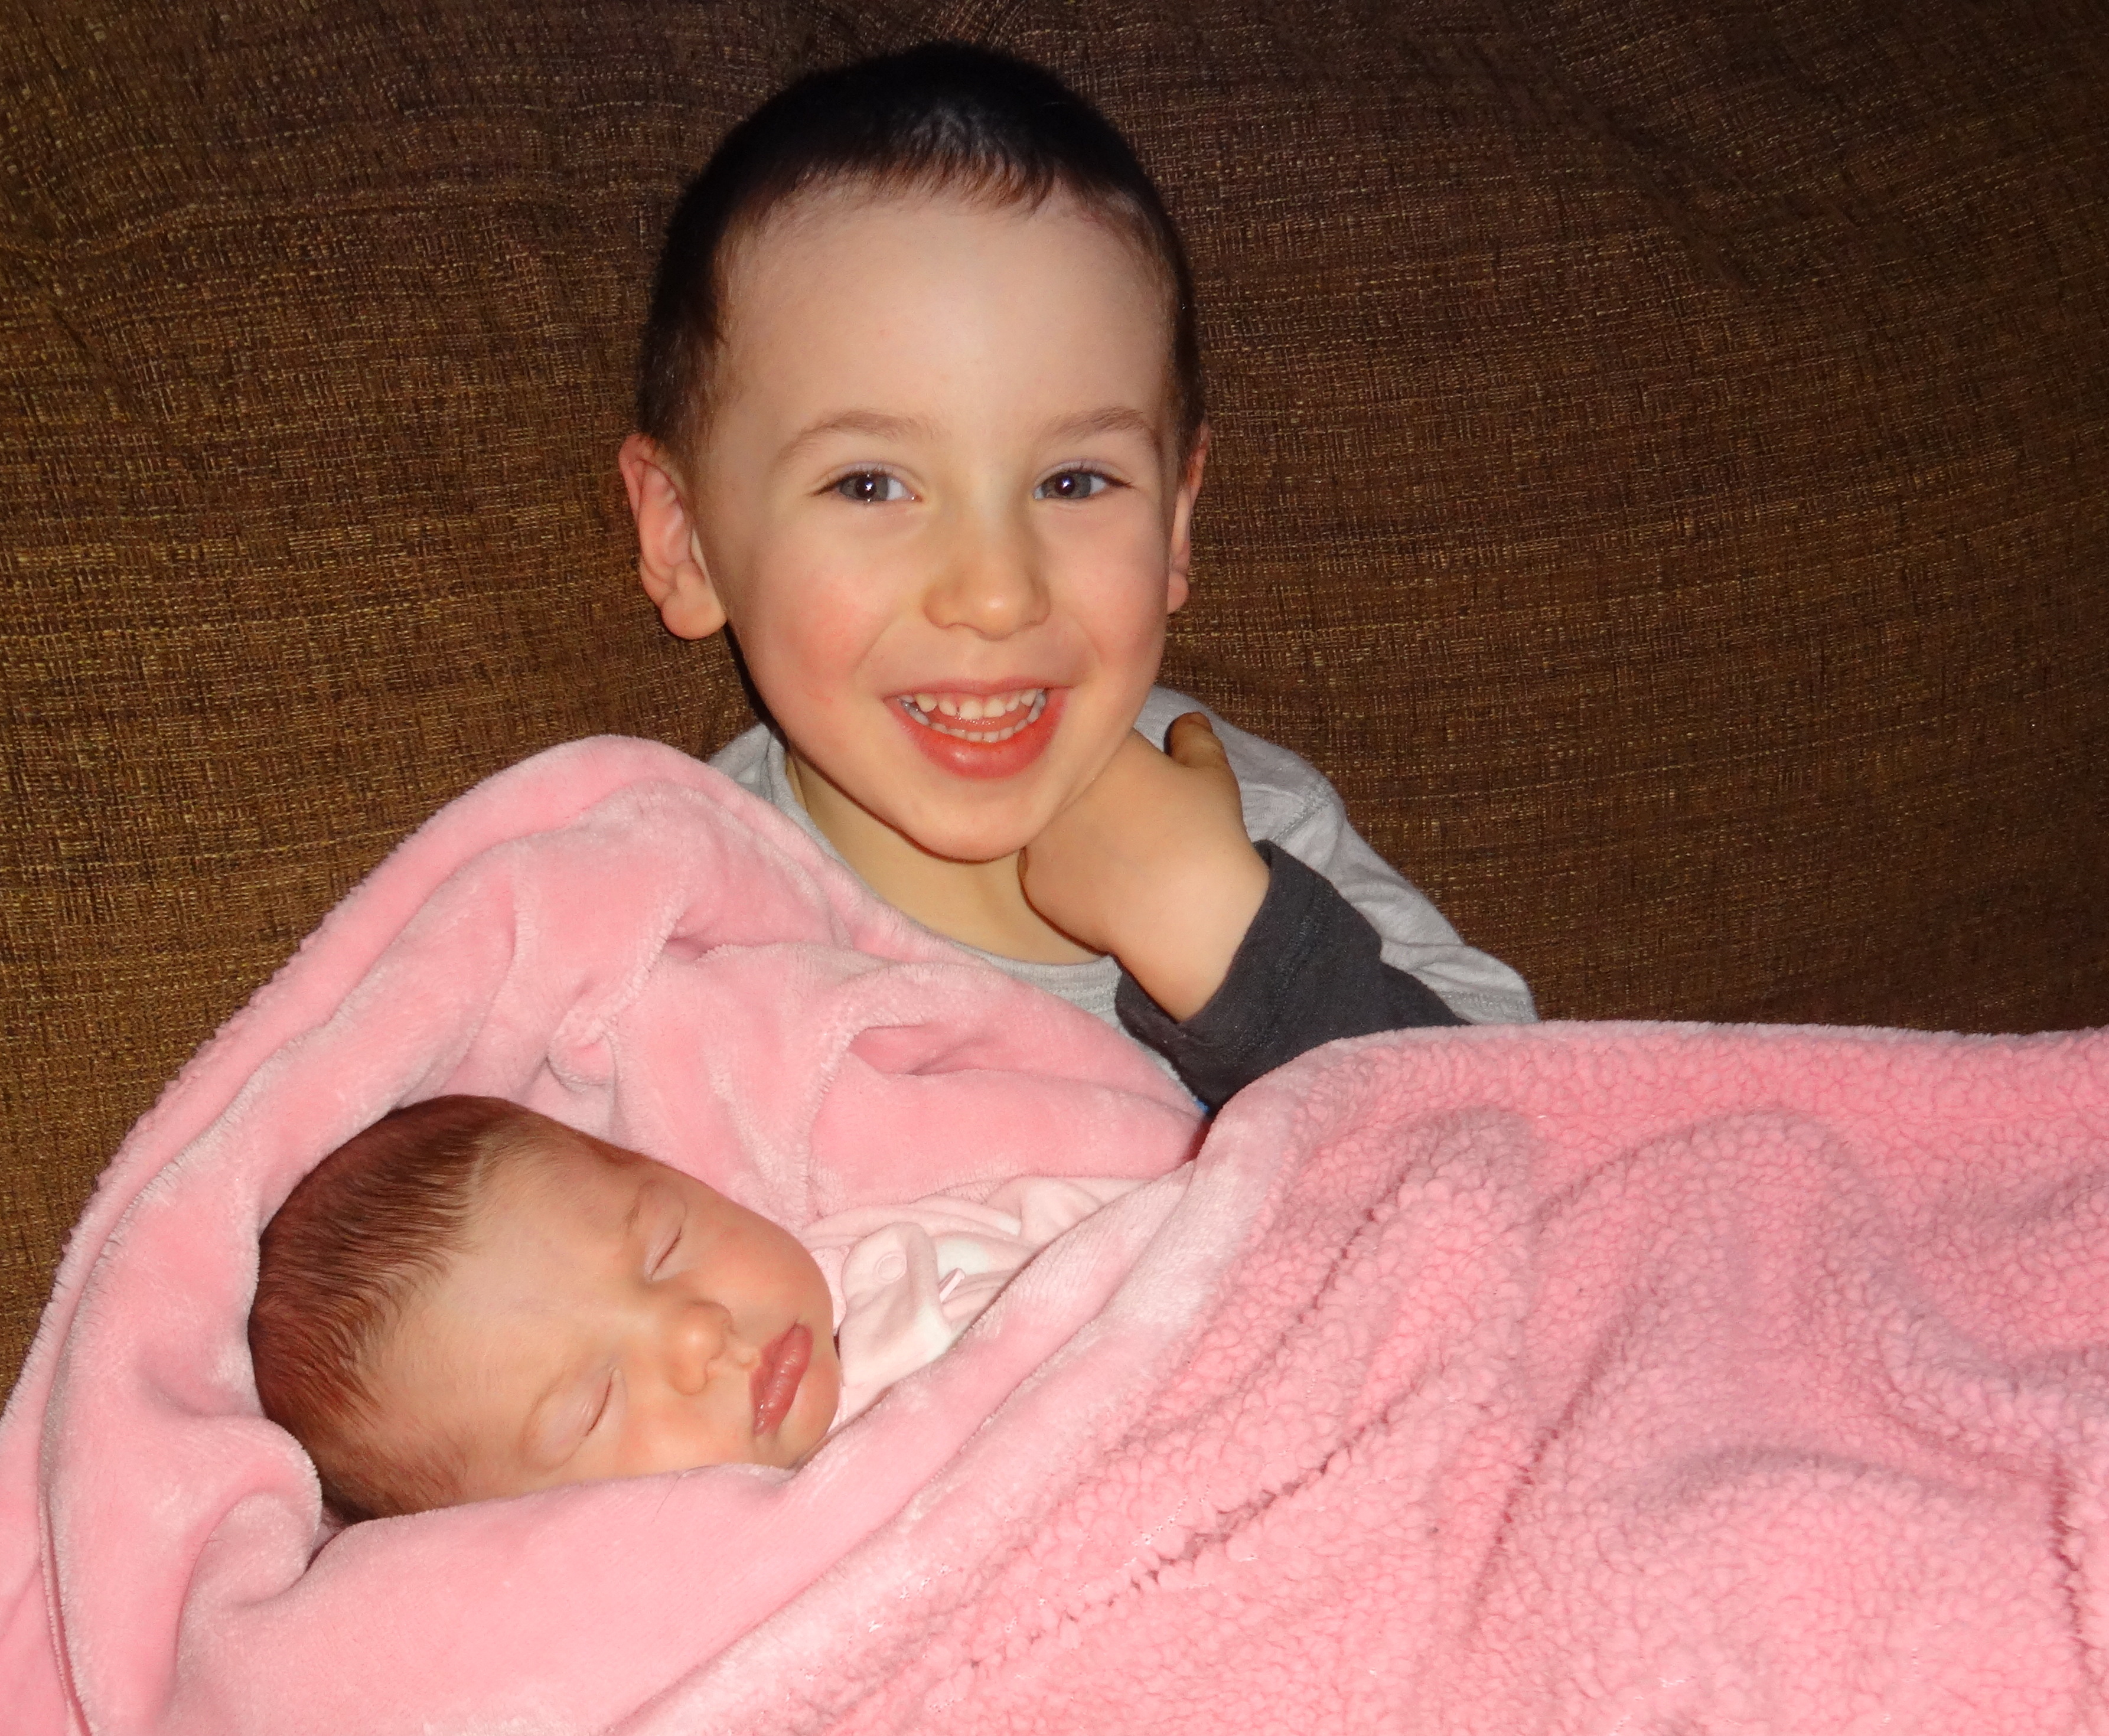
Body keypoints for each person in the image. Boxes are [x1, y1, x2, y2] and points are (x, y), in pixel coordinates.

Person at [617, 42, 1534, 1111]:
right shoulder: (666, 919)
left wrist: (1223, 937)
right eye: (870, 485)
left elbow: (1543, 1129)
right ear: (685, 537)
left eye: (1074, 482)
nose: (998, 594)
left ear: (1176, 521)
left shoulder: (1256, 829)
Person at [250, 1095, 1132, 1515]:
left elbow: (1185, 1238)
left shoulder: (918, 1258)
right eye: (595, 1403)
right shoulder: (718, 1607)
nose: (695, 1328)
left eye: (664, 1243)